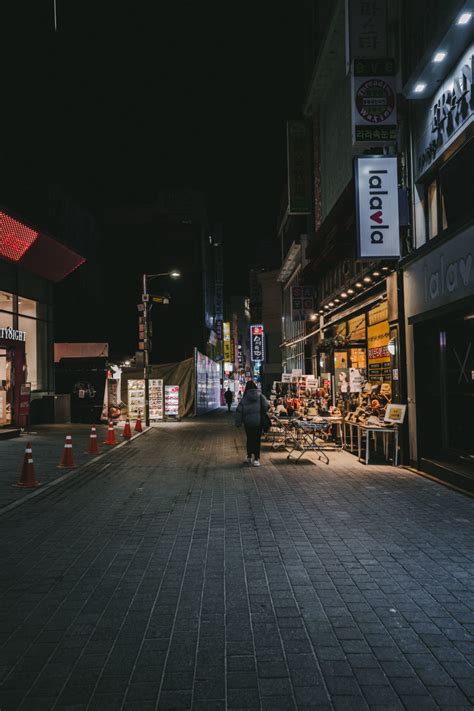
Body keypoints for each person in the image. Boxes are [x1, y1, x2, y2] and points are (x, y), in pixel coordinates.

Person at [235, 381, 270, 467]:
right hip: (258, 422)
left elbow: (239, 411)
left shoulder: (244, 399)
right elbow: (267, 406)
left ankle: (249, 457)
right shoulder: (260, 396)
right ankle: (257, 459)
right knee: (257, 440)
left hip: (248, 423)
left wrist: (238, 422)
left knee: (249, 439)